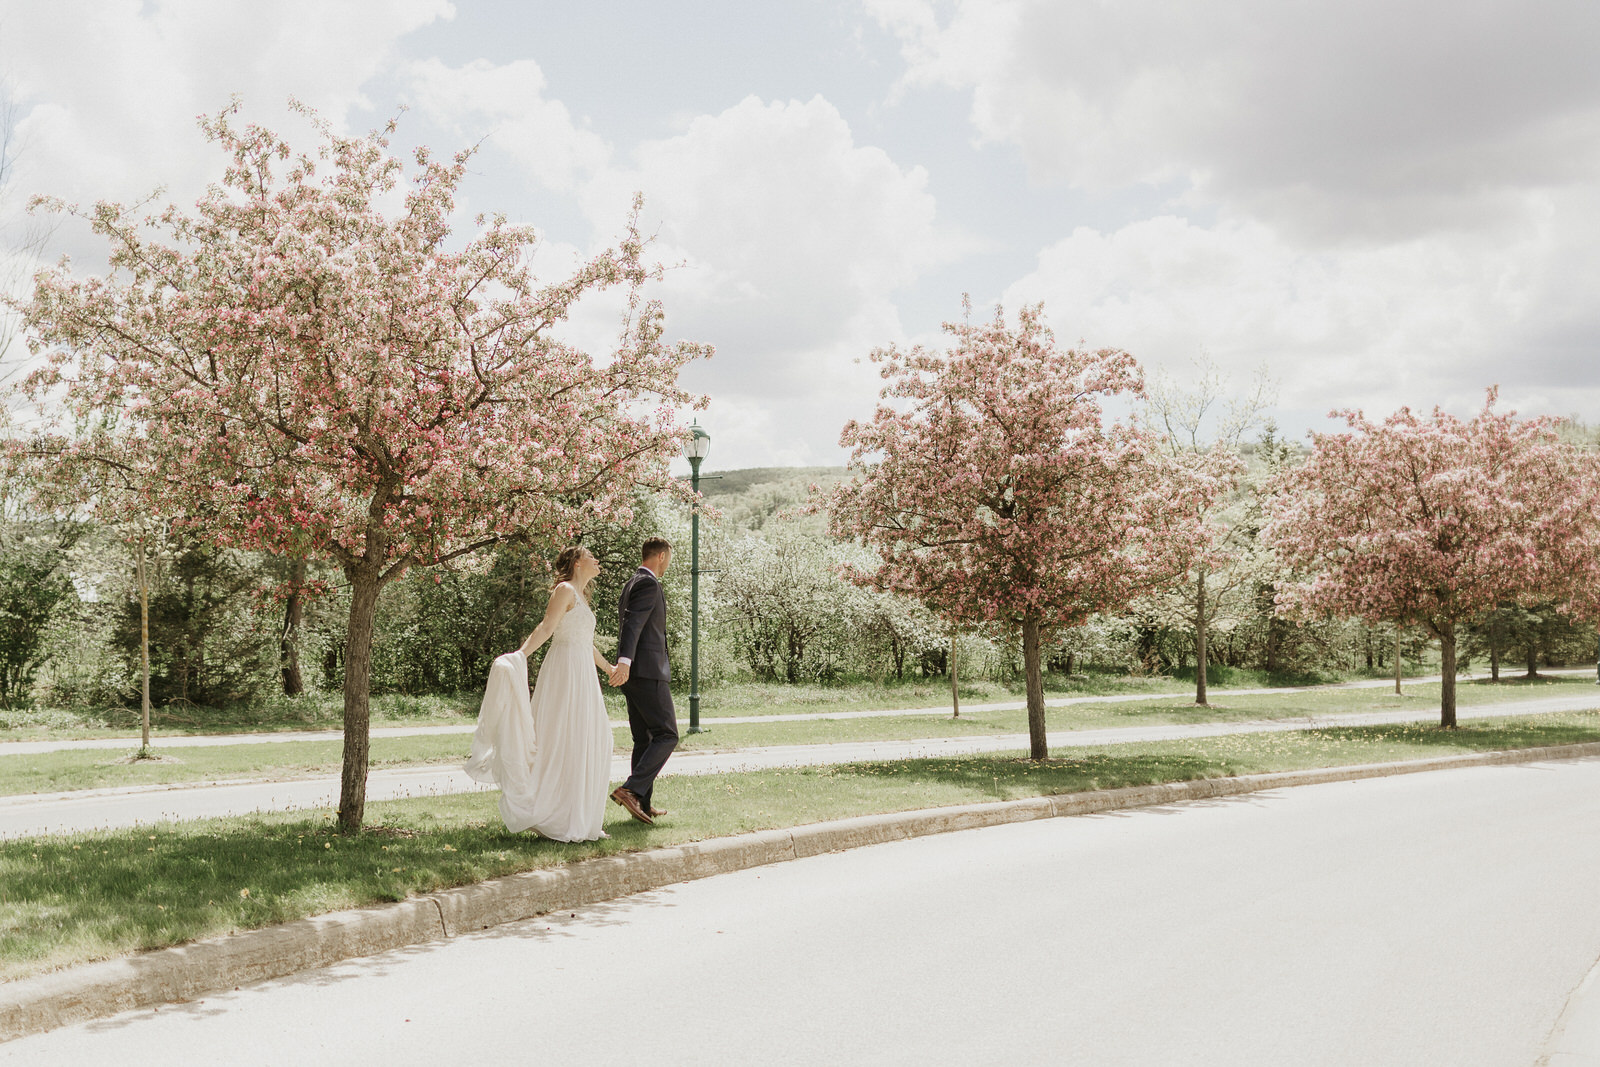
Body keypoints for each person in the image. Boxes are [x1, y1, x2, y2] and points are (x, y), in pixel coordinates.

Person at [464, 546, 615, 842]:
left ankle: (578, 816)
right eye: (591, 556)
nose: (597, 560)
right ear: (577, 562)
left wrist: (609, 668)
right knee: (561, 737)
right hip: (565, 671)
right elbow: (547, 628)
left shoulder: (582, 597)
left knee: (593, 738)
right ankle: (548, 813)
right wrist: (520, 655)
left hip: (583, 671)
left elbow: (586, 641)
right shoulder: (564, 590)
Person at [608, 537, 676, 824]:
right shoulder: (649, 583)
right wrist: (625, 661)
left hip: (635, 674)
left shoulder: (631, 582)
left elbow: (632, 623)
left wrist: (626, 665)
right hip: (647, 672)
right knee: (667, 734)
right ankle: (632, 790)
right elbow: (633, 624)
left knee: (644, 738)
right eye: (669, 558)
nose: (669, 563)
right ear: (661, 556)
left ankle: (643, 803)